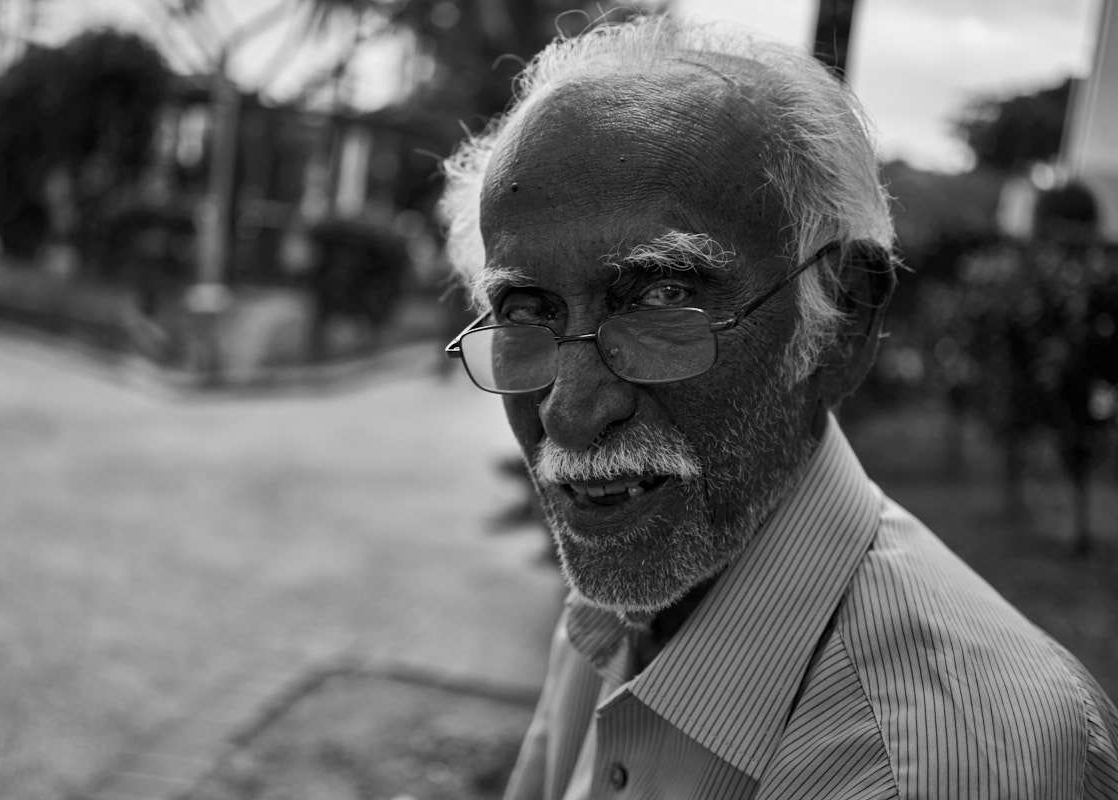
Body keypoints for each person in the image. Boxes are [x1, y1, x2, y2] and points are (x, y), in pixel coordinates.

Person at [438, 13, 1118, 800]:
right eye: (525, 311)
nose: (571, 411)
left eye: (663, 296)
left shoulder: (941, 768)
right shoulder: (614, 610)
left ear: (841, 323)